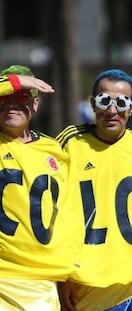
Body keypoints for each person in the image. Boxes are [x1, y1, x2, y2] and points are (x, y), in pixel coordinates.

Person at [56, 69, 132, 311]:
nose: (112, 111)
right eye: (103, 101)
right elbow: (56, 216)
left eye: (120, 103)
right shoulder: (70, 145)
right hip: (89, 284)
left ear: (131, 108)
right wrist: (62, 275)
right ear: (92, 104)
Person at [0, 64, 74, 310]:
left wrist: (68, 276)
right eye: (5, 97)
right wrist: (17, 82)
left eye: (21, 97)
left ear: (35, 104)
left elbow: (65, 217)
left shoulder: (54, 150)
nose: (11, 104)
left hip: (42, 280)